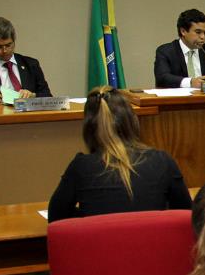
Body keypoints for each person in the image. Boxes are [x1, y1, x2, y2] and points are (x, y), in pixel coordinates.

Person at [48, 86, 192, 221]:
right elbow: (186, 214)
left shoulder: (80, 167)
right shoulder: (162, 161)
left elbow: (56, 217)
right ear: (132, 121)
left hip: (100, 240)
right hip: (153, 239)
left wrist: (88, 218)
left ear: (88, 129)